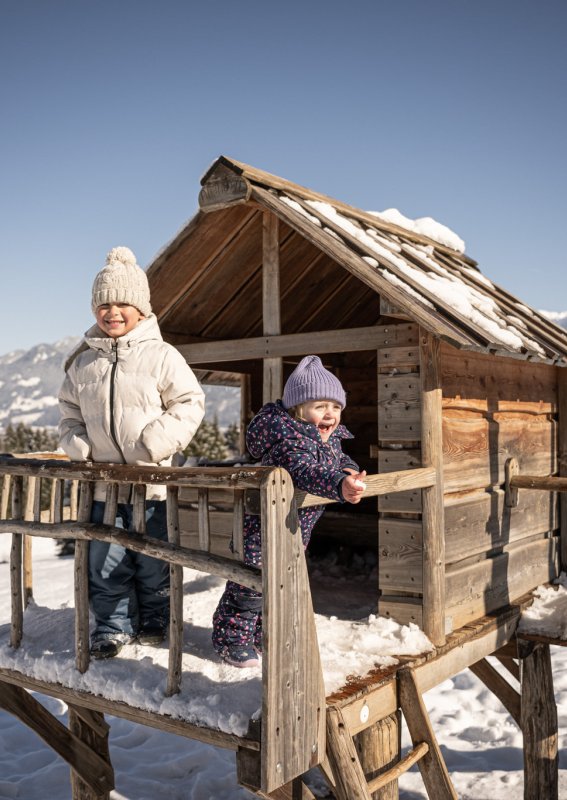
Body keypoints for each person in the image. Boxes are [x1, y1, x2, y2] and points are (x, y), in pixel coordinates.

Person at [58, 246, 205, 659]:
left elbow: (189, 403)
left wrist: (153, 443)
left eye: (123, 302)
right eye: (104, 304)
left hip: (152, 488)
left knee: (152, 560)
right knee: (106, 563)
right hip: (103, 488)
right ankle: (111, 627)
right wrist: (78, 445)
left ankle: (156, 618)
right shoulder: (83, 363)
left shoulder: (162, 356)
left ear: (141, 308)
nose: (113, 311)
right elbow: (68, 413)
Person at [212, 355, 366, 668]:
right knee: (250, 584)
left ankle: (257, 634)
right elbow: (303, 470)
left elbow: (340, 460)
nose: (330, 414)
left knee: (277, 584)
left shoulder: (329, 438)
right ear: (298, 408)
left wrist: (347, 471)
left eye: (336, 407)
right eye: (320, 406)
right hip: (262, 526)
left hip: (295, 527)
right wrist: (338, 484)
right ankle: (231, 638)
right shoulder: (288, 440)